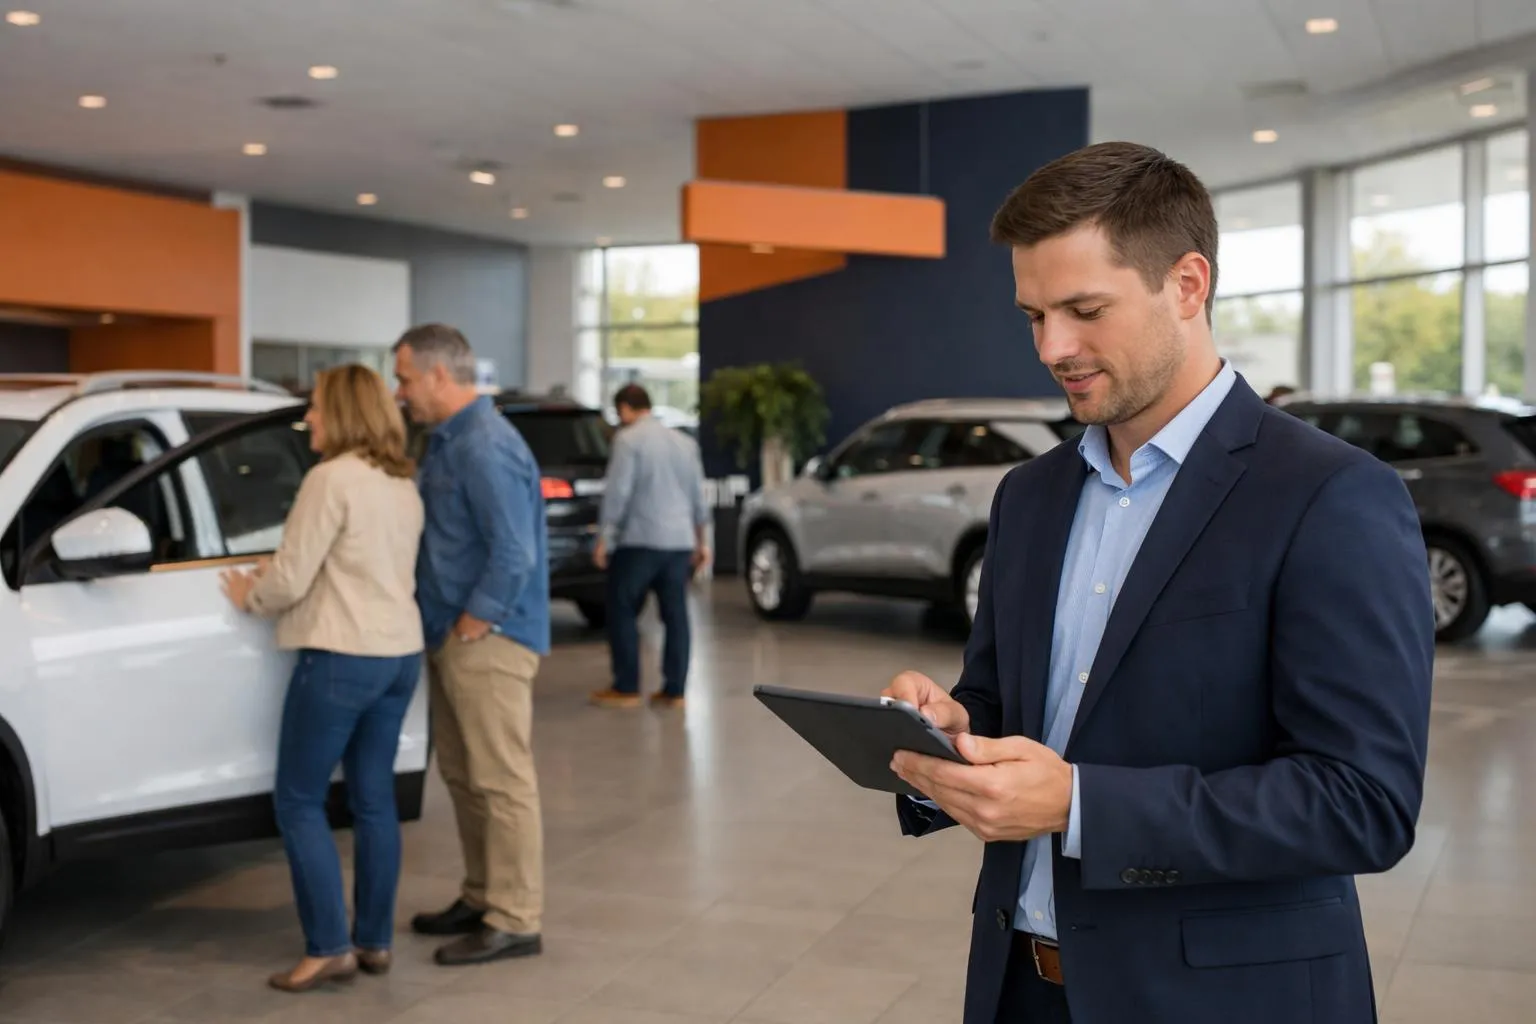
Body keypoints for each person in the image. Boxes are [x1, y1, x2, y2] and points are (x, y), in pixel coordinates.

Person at [883, 142, 1434, 1024]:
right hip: (1019, 987)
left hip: (1224, 1000)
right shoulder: (1031, 496)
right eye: (1034, 316)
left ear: (1187, 284)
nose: (1053, 347)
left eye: (1084, 309)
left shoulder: (1330, 495)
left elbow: (1361, 803)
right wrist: (951, 733)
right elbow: (1007, 703)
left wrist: (1081, 803)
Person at [220, 364, 425, 993]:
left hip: (340, 655)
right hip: (399, 654)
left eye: (315, 407)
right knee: (372, 798)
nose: (307, 417)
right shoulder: (401, 483)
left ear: (340, 413)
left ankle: (329, 947)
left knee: (299, 800)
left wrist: (249, 592)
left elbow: (291, 577)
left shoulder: (329, 478)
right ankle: (374, 941)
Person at [391, 323, 551, 966]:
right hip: (454, 637)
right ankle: (483, 894)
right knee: (464, 776)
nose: (400, 393)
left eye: (404, 379)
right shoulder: (447, 442)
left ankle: (516, 917)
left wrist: (472, 624)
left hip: (488, 640)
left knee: (501, 780)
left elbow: (515, 553)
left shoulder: (485, 445)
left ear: (437, 374)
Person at [589, 383, 711, 709]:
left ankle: (626, 686)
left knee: (622, 609)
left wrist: (605, 538)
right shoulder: (684, 443)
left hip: (640, 541)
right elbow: (698, 497)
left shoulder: (628, 441)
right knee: (676, 615)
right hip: (679, 542)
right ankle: (675, 690)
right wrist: (702, 542)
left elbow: (618, 495)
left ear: (625, 409)